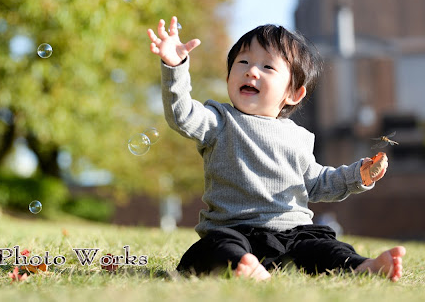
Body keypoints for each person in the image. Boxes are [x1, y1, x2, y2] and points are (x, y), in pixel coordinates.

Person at [147, 16, 406, 281]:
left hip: (293, 234)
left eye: (267, 66)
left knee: (326, 249)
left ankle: (365, 266)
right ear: (228, 75)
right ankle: (242, 265)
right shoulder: (219, 120)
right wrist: (174, 66)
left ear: (293, 93)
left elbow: (317, 182)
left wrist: (358, 176)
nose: (252, 71)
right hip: (234, 230)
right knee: (213, 249)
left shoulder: (299, 137)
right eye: (243, 62)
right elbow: (182, 115)